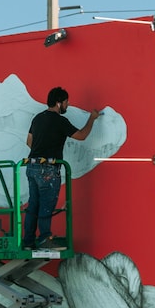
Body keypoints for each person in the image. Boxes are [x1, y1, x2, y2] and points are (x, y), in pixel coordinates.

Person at [21, 87, 100, 250]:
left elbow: (29, 141)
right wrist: (92, 119)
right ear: (58, 103)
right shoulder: (59, 121)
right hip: (49, 169)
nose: (68, 105)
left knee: (34, 205)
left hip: (32, 167)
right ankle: (44, 239)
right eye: (66, 102)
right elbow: (81, 136)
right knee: (46, 205)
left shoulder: (37, 118)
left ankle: (28, 241)